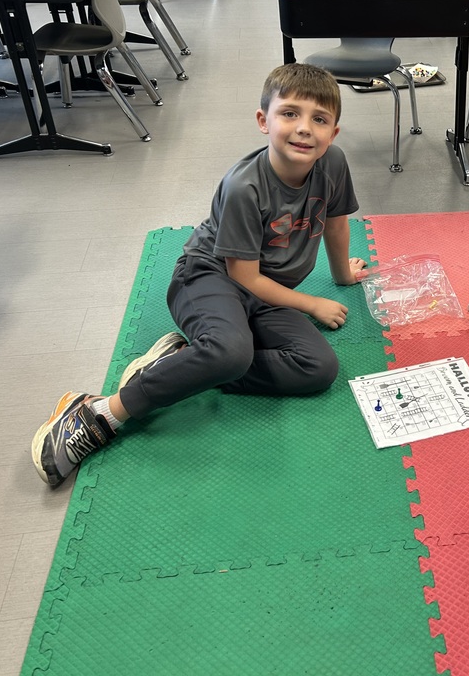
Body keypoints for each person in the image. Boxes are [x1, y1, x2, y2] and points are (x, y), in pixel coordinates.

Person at [32, 63, 367, 486]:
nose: (304, 129)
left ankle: (186, 366)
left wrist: (340, 277)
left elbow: (336, 223)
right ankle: (99, 413)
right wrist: (313, 303)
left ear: (333, 133)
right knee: (230, 353)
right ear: (264, 121)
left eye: (319, 120)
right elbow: (244, 276)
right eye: (290, 114)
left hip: (268, 293)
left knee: (319, 368)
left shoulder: (332, 164)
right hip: (210, 278)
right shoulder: (245, 186)